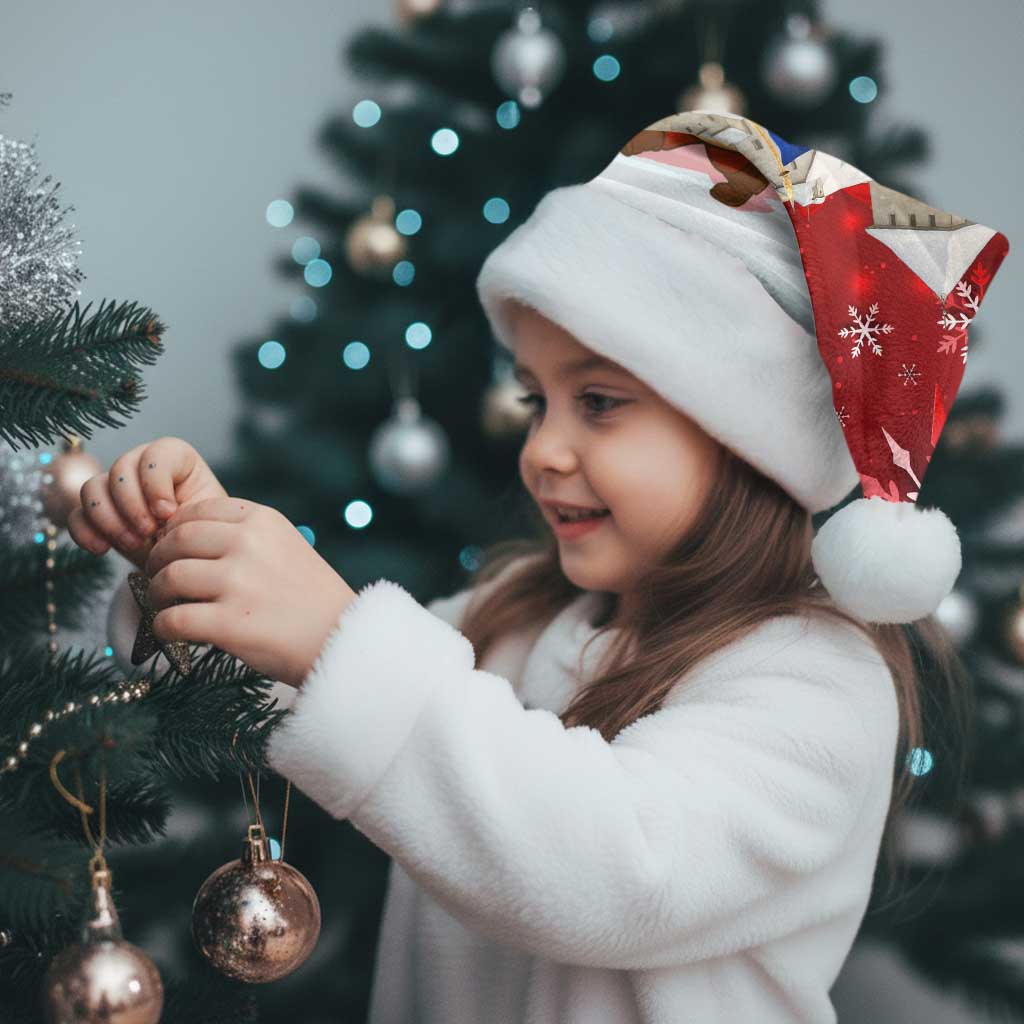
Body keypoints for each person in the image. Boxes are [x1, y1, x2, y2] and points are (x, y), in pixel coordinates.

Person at [72, 109, 1010, 1023]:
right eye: (535, 401)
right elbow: (303, 691)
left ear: (747, 437)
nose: (542, 451)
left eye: (598, 402)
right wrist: (193, 563)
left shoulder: (818, 682)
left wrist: (334, 638)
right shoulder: (516, 616)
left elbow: (616, 871)